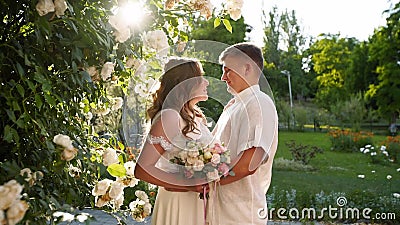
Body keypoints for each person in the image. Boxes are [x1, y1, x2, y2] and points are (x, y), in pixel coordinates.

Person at [134, 58, 213, 225]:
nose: (206, 82)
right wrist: (188, 184)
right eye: (200, 78)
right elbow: (142, 170)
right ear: (185, 84)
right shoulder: (169, 116)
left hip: (198, 203)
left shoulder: (196, 116)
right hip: (178, 203)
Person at [207, 42, 279, 225]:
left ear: (247, 68)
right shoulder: (234, 105)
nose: (223, 77)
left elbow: (249, 162)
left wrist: (205, 182)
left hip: (240, 216)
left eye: (228, 70)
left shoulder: (258, 104)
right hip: (221, 212)